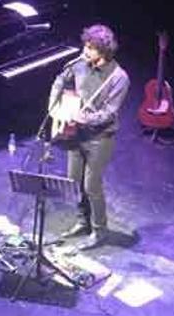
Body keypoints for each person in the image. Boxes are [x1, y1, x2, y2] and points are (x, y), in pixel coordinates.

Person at [47, 23, 130, 249]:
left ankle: (99, 230)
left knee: (91, 186)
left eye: (91, 47)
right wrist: (53, 108)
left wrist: (84, 119)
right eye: (85, 44)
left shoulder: (119, 78)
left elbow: (109, 113)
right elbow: (59, 81)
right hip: (77, 135)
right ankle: (82, 222)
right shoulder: (79, 64)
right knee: (74, 182)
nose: (85, 49)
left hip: (100, 138)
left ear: (104, 51)